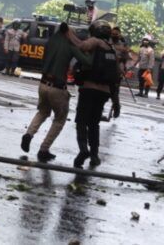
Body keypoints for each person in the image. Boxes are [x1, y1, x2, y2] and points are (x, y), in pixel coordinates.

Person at [21, 22, 92, 162]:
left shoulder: (50, 41)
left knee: (42, 112)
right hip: (58, 87)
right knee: (60, 119)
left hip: (43, 83)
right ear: (68, 33)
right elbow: (87, 62)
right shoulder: (70, 44)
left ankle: (28, 134)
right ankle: (44, 149)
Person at [72, 19, 121, 168]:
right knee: (94, 123)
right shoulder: (112, 50)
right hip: (104, 93)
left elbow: (81, 46)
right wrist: (116, 102)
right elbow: (115, 78)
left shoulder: (94, 42)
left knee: (81, 121)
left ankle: (83, 150)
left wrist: (69, 36)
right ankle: (94, 155)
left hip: (88, 88)